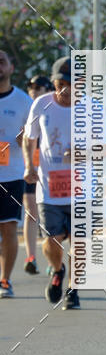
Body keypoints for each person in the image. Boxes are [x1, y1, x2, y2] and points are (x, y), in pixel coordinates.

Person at [23, 57, 106, 308]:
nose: (65, 89)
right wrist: (29, 166)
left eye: (71, 84)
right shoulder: (41, 104)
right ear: (53, 82)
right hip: (49, 189)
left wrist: (82, 154)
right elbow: (29, 140)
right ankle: (57, 269)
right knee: (52, 240)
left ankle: (74, 289)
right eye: (60, 83)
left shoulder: (92, 108)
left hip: (81, 190)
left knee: (80, 242)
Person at [0, 50, 33, 297]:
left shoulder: (23, 102)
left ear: (11, 67)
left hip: (12, 175)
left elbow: (35, 139)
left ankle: (5, 280)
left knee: (9, 228)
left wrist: (25, 142)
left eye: (2, 61)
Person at [22, 75, 53, 274]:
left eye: (38, 87)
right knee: (31, 211)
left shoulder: (53, 109)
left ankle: (52, 259)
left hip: (51, 171)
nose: (33, 89)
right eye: (30, 86)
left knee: (48, 215)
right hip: (29, 168)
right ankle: (31, 257)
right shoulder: (25, 108)